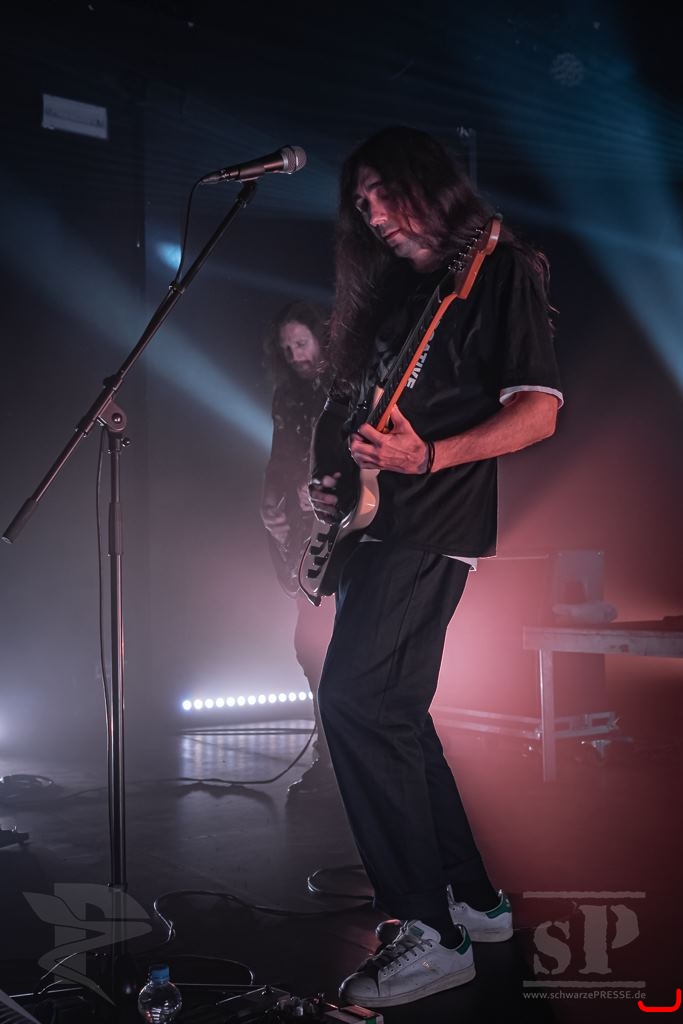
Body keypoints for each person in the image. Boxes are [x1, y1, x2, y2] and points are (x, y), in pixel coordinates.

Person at [308, 126, 563, 1007]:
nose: (371, 210)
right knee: (397, 716)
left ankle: (427, 930)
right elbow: (367, 412)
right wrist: (336, 483)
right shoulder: (399, 295)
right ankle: (473, 901)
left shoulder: (497, 271)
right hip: (376, 526)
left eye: (382, 189)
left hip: (430, 523)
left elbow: (537, 413)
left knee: (353, 700)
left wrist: (427, 457)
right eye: (360, 199)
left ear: (427, 183)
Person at [260, 301, 336, 798]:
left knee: (332, 646)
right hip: (303, 538)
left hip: (348, 532)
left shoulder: (347, 386)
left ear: (321, 337)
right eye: (287, 349)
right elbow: (278, 458)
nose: (296, 356)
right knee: (309, 648)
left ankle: (340, 758)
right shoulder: (286, 396)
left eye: (301, 343)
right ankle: (327, 757)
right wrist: (268, 505)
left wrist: (328, 488)